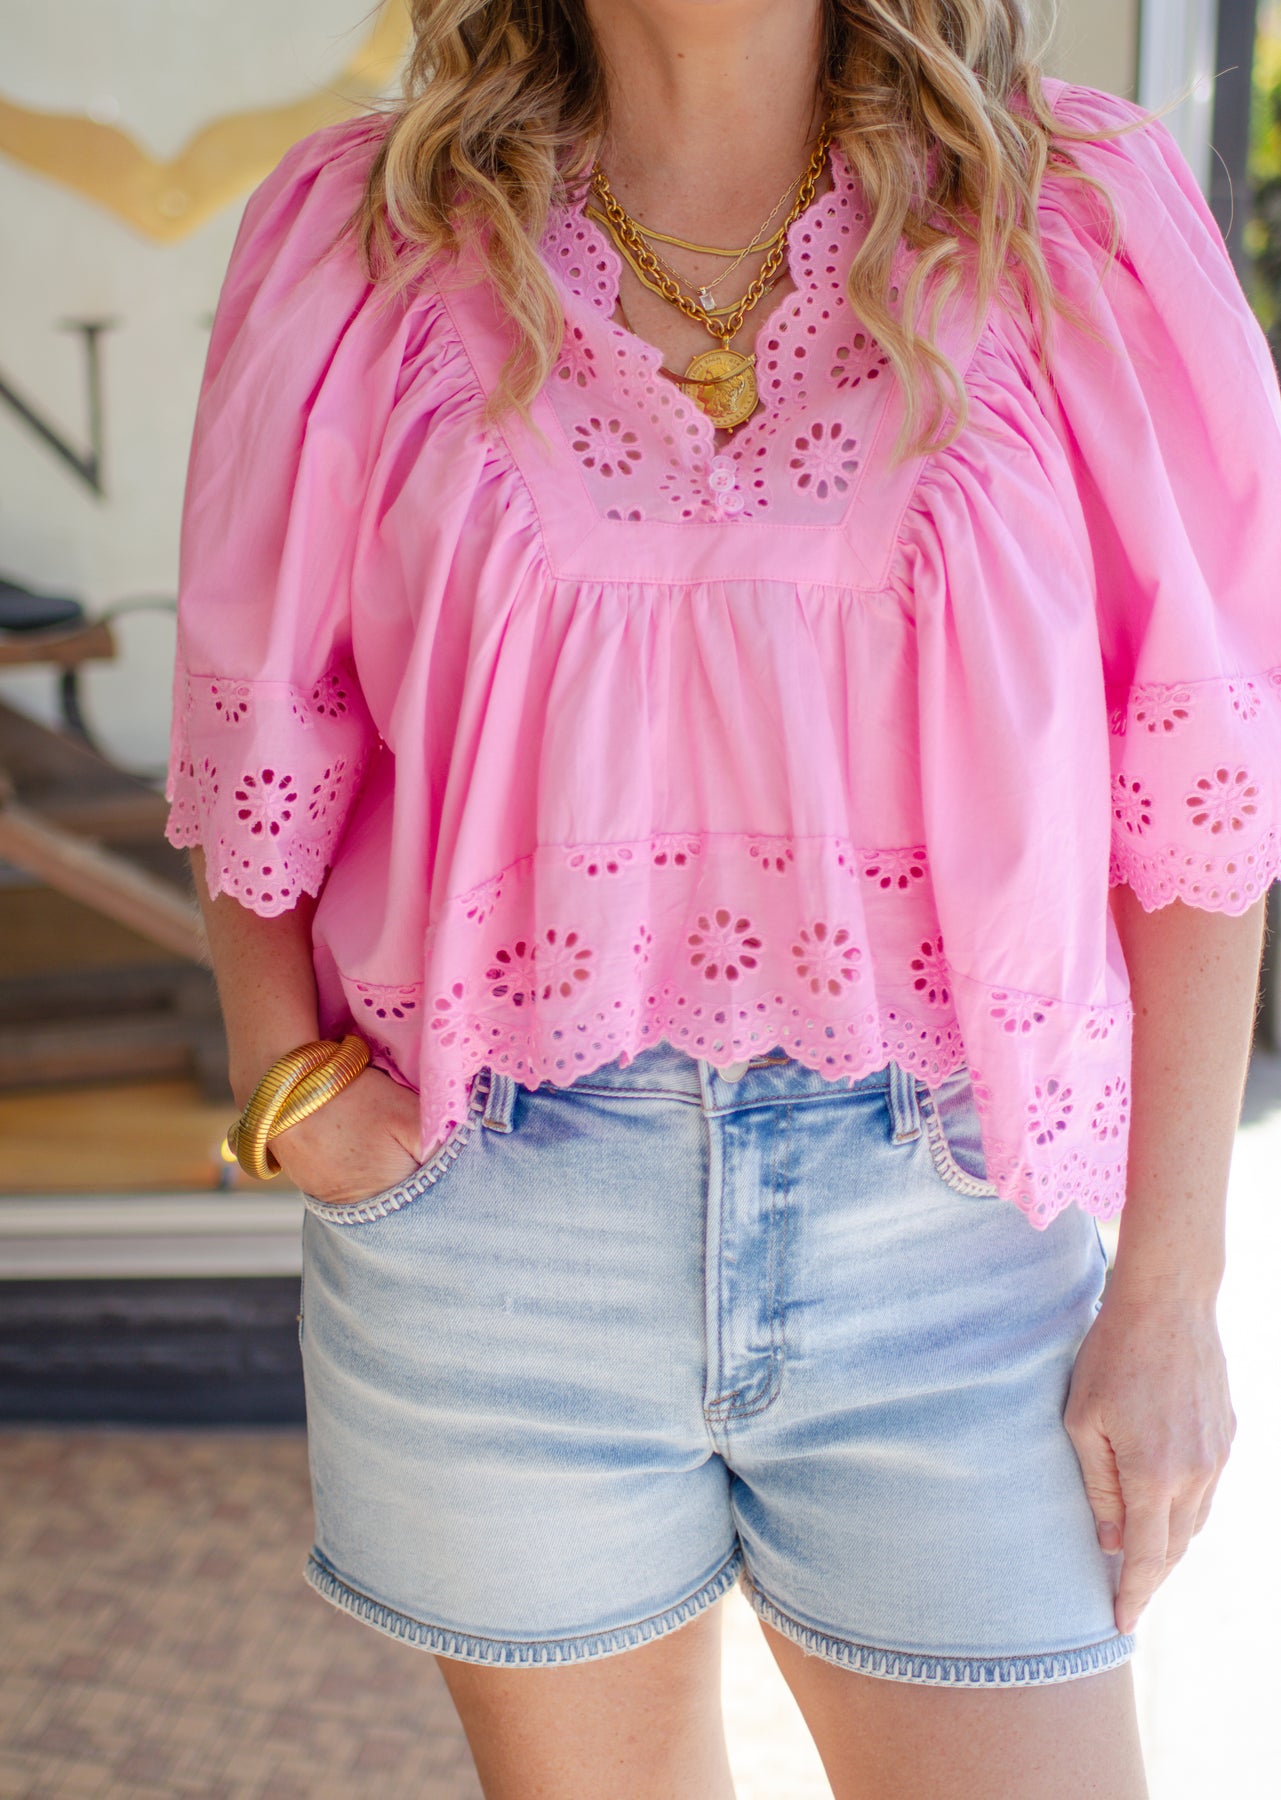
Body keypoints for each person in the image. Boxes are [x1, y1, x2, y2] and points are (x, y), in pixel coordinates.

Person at [166, 2, 1281, 1794]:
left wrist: (1169, 1291)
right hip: (494, 1220)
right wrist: (285, 1084)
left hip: (951, 1230)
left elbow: (1200, 770)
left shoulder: (1066, 219)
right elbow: (262, 712)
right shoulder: (365, 236)